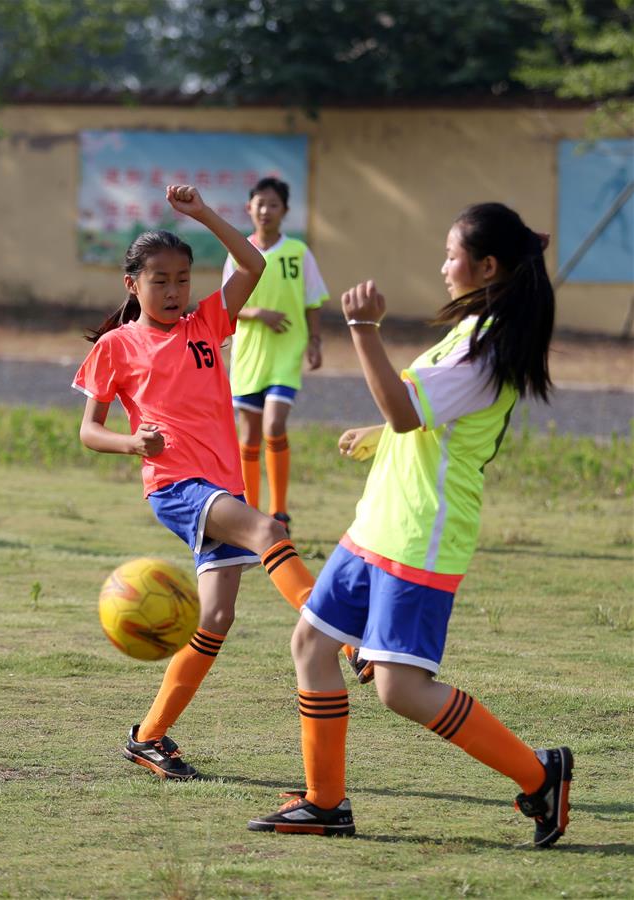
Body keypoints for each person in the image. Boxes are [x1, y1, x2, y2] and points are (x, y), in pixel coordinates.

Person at [248, 203, 574, 848]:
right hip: (378, 522)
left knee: (400, 690)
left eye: (452, 254)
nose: (444, 265)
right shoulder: (472, 331)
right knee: (312, 644)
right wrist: (384, 434)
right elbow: (419, 420)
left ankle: (540, 776)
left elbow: (405, 411)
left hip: (422, 534)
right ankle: (324, 802)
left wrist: (363, 329)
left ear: (486, 266)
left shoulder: (484, 349)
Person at [73, 184, 323, 781]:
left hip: (221, 486)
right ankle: (345, 639)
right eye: (159, 280)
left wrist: (204, 214)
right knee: (268, 528)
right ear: (132, 283)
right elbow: (88, 430)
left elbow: (255, 264)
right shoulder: (116, 346)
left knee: (214, 619)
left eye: (182, 278)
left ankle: (149, 736)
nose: (174, 290)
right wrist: (132, 443)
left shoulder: (208, 321)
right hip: (175, 485)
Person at [223, 177, 330, 533]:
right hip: (249, 356)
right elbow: (227, 306)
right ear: (249, 208)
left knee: (274, 425)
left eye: (273, 204)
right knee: (249, 435)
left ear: (284, 211)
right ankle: (250, 510)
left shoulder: (298, 253)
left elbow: (313, 298)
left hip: (286, 352)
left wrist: (315, 340)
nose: (265, 210)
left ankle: (280, 511)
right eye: (259, 203)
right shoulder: (238, 252)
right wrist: (259, 314)